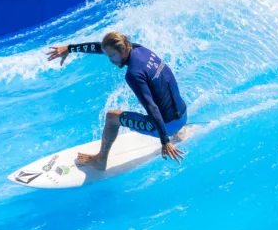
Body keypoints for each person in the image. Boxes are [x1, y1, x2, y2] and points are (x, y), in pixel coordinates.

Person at [46, 32, 188, 170]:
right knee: (152, 91)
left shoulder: (133, 74)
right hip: (183, 115)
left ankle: (100, 160)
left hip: (168, 126)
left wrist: (165, 141)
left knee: (111, 117)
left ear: (123, 49)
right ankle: (178, 132)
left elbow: (152, 107)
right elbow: (100, 47)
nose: (110, 60)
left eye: (112, 56)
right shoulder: (140, 49)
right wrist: (70, 48)